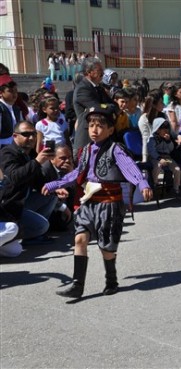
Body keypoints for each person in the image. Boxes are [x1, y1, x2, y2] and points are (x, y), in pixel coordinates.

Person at [42, 106, 153, 298]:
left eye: (100, 126)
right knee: (79, 239)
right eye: (91, 125)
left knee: (106, 246)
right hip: (89, 201)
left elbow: (129, 168)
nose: (94, 130)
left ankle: (111, 280)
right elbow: (78, 173)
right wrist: (56, 183)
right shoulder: (85, 150)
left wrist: (142, 182)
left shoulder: (115, 149)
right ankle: (77, 285)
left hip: (109, 203)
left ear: (110, 129)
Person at [0, 121, 54, 244]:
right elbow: (15, 177)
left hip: (22, 203)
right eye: (26, 134)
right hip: (7, 207)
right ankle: (16, 235)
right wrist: (37, 162)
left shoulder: (31, 154)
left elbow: (39, 183)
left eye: (34, 134)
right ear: (15, 136)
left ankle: (25, 235)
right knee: (42, 226)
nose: (31, 138)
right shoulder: (7, 152)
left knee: (50, 195)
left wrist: (55, 187)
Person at [72, 57, 115, 159]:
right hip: (86, 139)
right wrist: (106, 107)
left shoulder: (98, 88)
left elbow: (114, 106)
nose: (102, 74)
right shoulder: (83, 89)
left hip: (101, 139)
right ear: (89, 72)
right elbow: (97, 108)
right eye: (99, 71)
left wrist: (107, 107)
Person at [0, 75, 22, 148]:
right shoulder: (1, 108)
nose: (14, 94)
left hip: (14, 147)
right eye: (10, 91)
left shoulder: (16, 109)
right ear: (1, 93)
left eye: (16, 91)